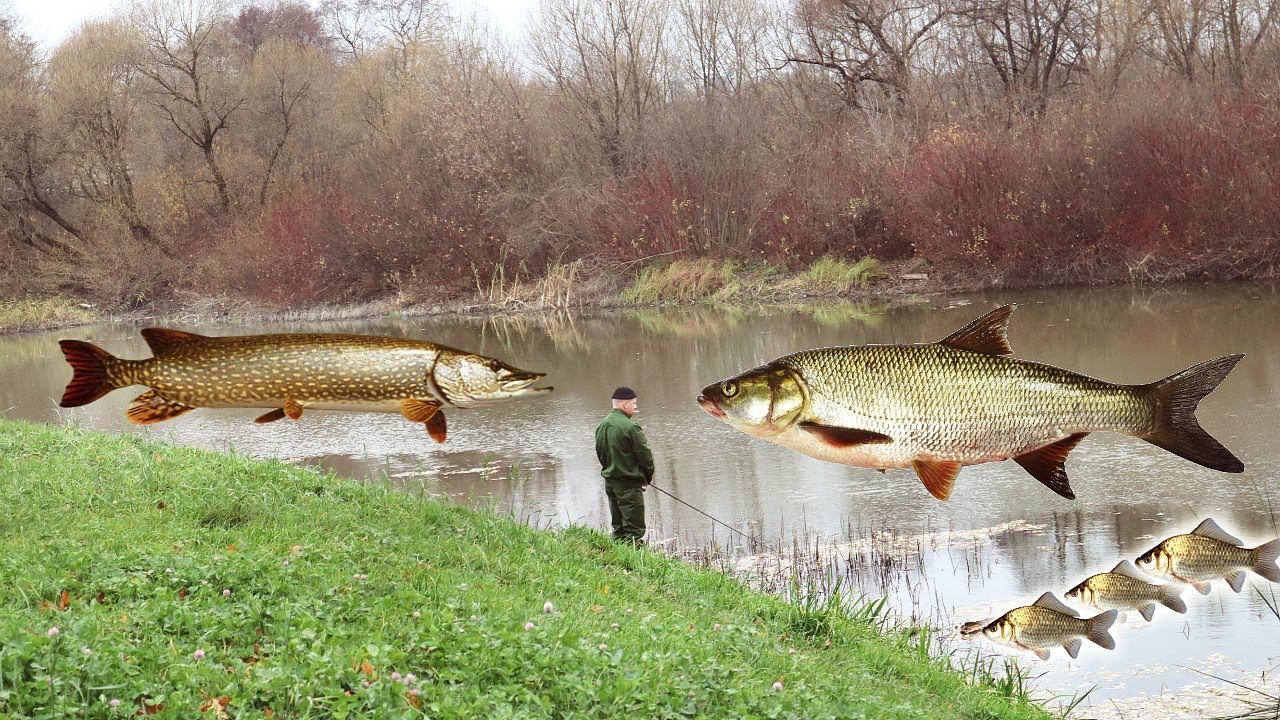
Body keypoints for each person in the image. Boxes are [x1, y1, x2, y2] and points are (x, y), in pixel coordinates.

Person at [594, 386, 654, 545]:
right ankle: (634, 563)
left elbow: (600, 453)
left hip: (611, 483)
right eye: (634, 404)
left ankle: (618, 558)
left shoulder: (602, 425)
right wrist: (646, 477)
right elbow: (645, 457)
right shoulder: (630, 427)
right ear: (625, 404)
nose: (635, 408)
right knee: (634, 531)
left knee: (618, 529)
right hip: (629, 486)